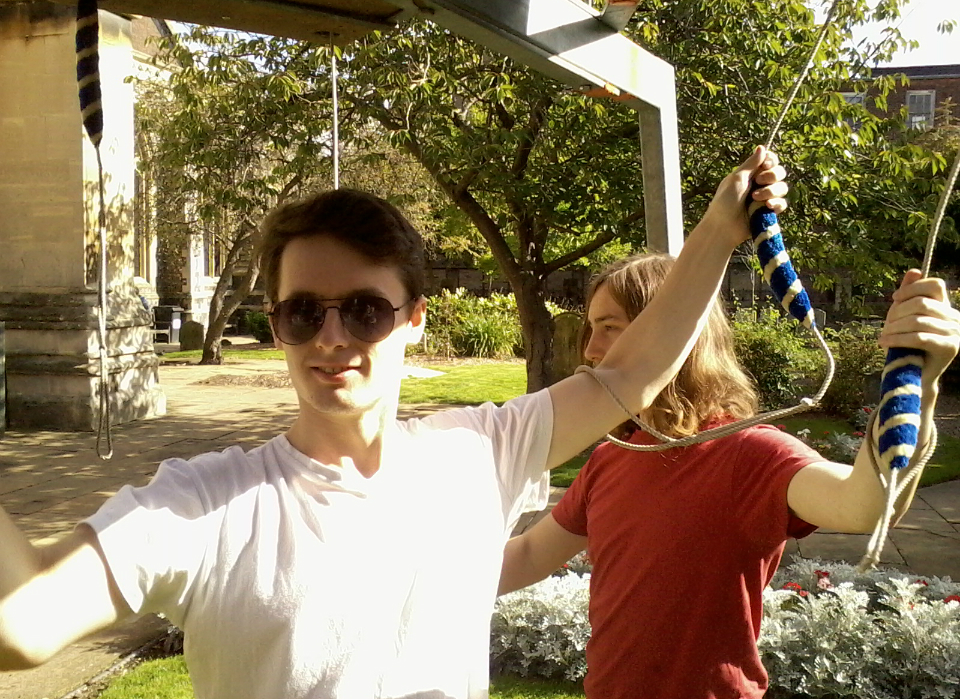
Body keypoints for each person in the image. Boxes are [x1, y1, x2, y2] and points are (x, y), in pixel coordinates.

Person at [0, 148, 788, 699]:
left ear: (414, 319)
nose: (333, 338)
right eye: (303, 312)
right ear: (275, 320)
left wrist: (719, 230)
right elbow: (21, 624)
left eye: (365, 311)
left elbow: (630, 372)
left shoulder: (479, 452)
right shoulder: (204, 505)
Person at [497, 252, 960, 699]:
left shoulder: (750, 454)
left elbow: (864, 505)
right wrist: (430, 570)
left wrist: (919, 382)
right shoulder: (612, 457)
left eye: (610, 328)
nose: (592, 350)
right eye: (591, 330)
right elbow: (531, 554)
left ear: (673, 338)